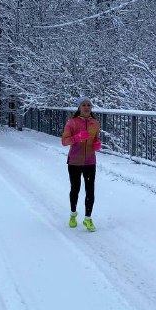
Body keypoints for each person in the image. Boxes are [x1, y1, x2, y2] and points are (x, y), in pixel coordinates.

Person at [61, 96, 102, 231]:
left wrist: (97, 144)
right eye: (83, 105)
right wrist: (77, 138)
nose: (86, 107)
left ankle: (88, 218)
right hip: (74, 161)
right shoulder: (72, 122)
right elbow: (64, 141)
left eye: (88, 105)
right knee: (75, 188)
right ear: (79, 107)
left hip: (90, 161)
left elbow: (96, 139)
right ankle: (73, 214)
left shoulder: (95, 123)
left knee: (90, 190)